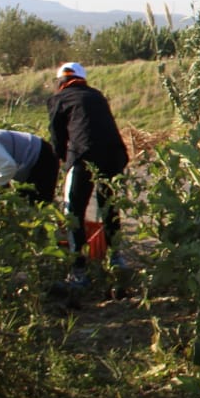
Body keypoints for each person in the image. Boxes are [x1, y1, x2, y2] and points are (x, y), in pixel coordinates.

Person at [47, 62, 129, 277]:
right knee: (108, 204)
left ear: (60, 82)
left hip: (83, 155)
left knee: (73, 211)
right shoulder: (97, 96)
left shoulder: (59, 99)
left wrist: (65, 163)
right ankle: (117, 258)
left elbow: (57, 139)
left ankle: (78, 268)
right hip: (114, 155)